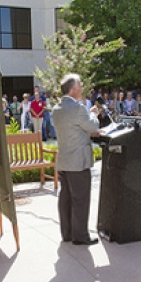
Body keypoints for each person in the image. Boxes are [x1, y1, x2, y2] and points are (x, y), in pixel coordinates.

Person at [52, 74, 102, 246]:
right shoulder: (79, 109)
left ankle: (67, 234)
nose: (82, 88)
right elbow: (93, 127)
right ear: (73, 89)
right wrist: (94, 113)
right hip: (78, 162)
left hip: (64, 161)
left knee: (65, 198)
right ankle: (80, 236)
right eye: (80, 85)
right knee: (80, 199)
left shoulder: (56, 109)